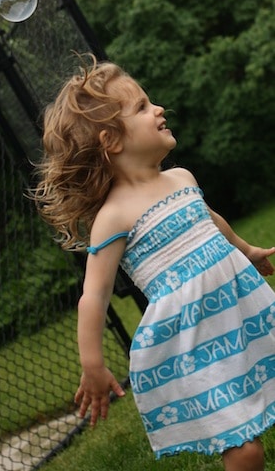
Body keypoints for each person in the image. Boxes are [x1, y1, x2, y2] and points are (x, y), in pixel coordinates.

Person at [33, 55, 275, 471]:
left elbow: (208, 219)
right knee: (245, 449)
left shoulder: (181, 178)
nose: (158, 109)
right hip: (195, 342)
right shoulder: (113, 216)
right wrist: (93, 364)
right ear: (111, 140)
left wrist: (246, 250)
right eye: (142, 107)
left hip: (240, 314)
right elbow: (93, 296)